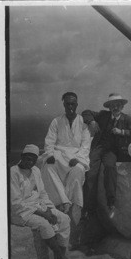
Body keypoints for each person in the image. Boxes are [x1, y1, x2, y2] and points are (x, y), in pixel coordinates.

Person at [11, 144, 80, 259]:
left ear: (36, 160)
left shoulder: (36, 170)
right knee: (44, 225)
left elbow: (42, 193)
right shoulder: (13, 172)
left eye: (33, 159)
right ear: (21, 157)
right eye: (27, 158)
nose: (29, 162)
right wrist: (44, 214)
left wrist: (49, 209)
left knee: (64, 219)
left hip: (39, 206)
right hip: (21, 211)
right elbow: (15, 203)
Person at [40, 92, 91, 249]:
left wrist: (80, 159)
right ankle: (63, 202)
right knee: (47, 167)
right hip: (59, 155)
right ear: (64, 105)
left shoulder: (84, 123)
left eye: (73, 104)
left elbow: (85, 145)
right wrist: (49, 154)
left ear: (77, 105)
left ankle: (72, 208)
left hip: (76, 156)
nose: (70, 107)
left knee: (77, 171)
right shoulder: (56, 121)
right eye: (67, 104)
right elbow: (49, 141)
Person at [82, 93, 131, 218]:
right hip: (98, 147)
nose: (116, 107)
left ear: (122, 107)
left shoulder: (127, 119)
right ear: (109, 107)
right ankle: (88, 208)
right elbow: (86, 112)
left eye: (118, 105)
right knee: (90, 171)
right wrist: (91, 121)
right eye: (113, 105)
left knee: (109, 167)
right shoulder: (103, 115)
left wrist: (122, 132)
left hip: (113, 151)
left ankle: (111, 203)